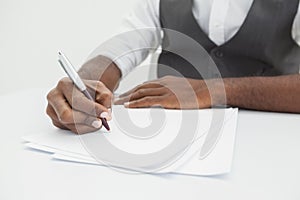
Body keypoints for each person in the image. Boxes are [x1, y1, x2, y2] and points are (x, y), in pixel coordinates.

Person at [46, 0, 300, 134]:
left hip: (269, 142)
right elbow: (121, 46)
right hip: (172, 145)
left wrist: (211, 90)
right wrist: (85, 83)